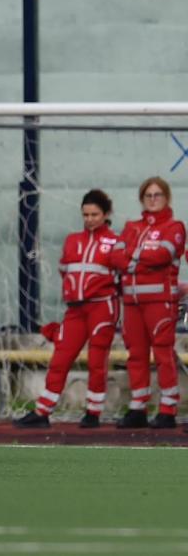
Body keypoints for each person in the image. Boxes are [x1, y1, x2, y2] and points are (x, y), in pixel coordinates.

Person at [13, 190, 119, 429]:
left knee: (97, 359)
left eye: (95, 214)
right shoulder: (73, 240)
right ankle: (43, 412)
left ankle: (93, 412)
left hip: (102, 307)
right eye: (86, 214)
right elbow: (65, 271)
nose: (90, 219)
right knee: (61, 357)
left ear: (106, 214)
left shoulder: (115, 242)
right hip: (75, 310)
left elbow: (119, 276)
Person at [111, 177, 184, 429]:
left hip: (160, 301)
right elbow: (114, 257)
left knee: (163, 354)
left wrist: (132, 254)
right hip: (130, 302)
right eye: (148, 195)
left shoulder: (174, 227)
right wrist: (140, 258)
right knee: (136, 355)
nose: (153, 199)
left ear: (166, 198)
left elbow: (163, 255)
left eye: (158, 195)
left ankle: (167, 408)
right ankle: (138, 407)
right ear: (142, 199)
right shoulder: (131, 226)